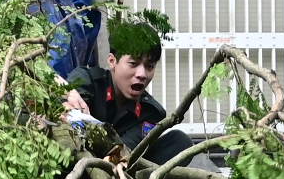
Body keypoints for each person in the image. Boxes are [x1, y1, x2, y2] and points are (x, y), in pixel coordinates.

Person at [65, 11, 194, 164]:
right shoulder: (87, 80)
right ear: (112, 61)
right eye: (133, 64)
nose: (142, 74)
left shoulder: (152, 113)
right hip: (77, 162)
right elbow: (64, 115)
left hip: (121, 168)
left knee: (180, 142)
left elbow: (124, 149)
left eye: (150, 66)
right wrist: (62, 88)